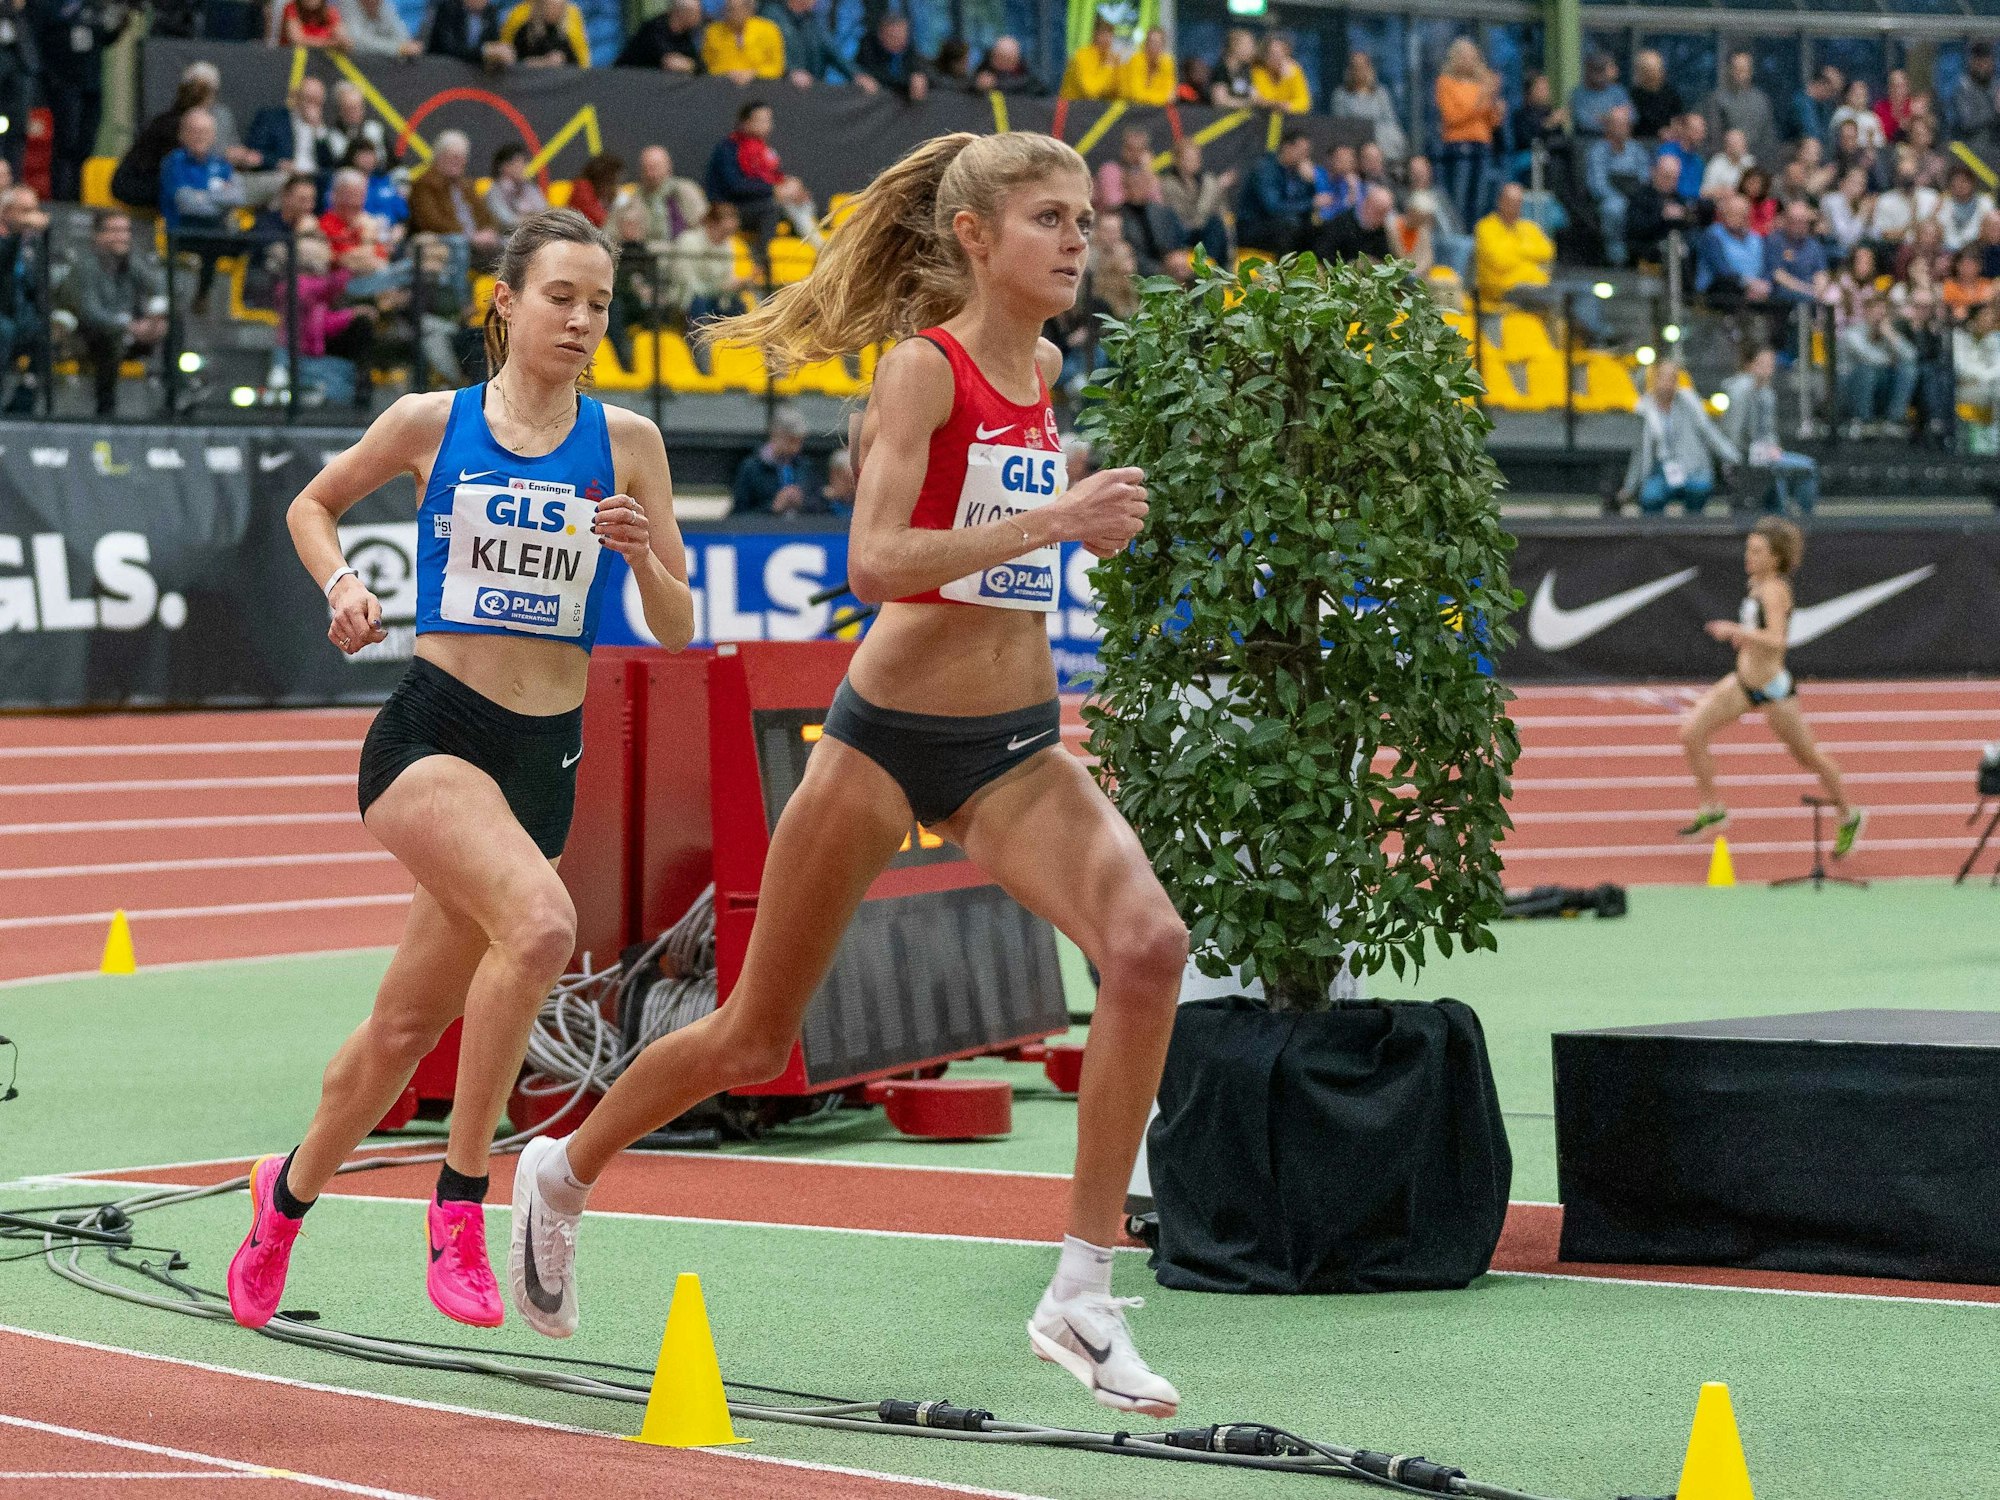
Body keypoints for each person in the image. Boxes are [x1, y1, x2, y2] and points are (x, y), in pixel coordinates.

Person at [505, 131, 1185, 1425]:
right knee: (756, 1034)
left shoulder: (1043, 366)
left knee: (1148, 946)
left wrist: (1051, 529)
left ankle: (1083, 1292)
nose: (1080, 242)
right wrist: (1059, 519)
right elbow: (875, 562)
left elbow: (998, 559)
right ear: (978, 237)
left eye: (1088, 221)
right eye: (1052, 219)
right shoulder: (921, 375)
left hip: (1015, 744)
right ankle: (563, 1167)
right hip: (882, 740)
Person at [228, 208, 696, 1335]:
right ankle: (458, 1205)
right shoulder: (430, 421)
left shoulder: (627, 441)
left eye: (599, 302)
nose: (582, 320)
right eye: (560, 297)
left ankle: (280, 1202)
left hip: (544, 762)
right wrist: (340, 583)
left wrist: (639, 558)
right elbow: (311, 503)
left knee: (398, 1034)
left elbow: (676, 629)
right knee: (540, 927)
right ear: (505, 301)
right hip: (432, 735)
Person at [1678, 519, 1861, 858]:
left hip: (1774, 691)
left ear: (1775, 558)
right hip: (1743, 683)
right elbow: (1758, 633)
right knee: (1691, 733)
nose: (1748, 555)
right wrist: (1745, 638)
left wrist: (1737, 630)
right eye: (1748, 548)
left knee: (1808, 757)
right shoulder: (1755, 583)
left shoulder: (1775, 589)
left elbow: (1778, 641)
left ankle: (1848, 815)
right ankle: (1712, 807)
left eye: (1757, 551)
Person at [68, 210, 166, 418]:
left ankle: (174, 396)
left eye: (125, 231)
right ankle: (106, 410)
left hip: (131, 333)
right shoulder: (85, 266)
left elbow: (159, 289)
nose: (122, 236)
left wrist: (155, 320)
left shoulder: (133, 262)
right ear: (98, 235)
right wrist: (129, 326)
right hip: (89, 338)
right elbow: (90, 313)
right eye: (115, 231)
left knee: (173, 324)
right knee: (107, 336)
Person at [1618, 357, 1737, 514]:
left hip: (1692, 467)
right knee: (1650, 497)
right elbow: (1640, 452)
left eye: (1673, 378)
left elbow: (1708, 431)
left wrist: (1733, 457)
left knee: (1700, 489)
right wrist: (1629, 487)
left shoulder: (1689, 401)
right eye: (1663, 377)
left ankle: (1694, 532)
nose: (1668, 383)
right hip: (1661, 469)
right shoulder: (1645, 409)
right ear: (1654, 379)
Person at [160, 108, 246, 315]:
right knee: (214, 234)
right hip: (181, 230)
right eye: (195, 131)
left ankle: (245, 300)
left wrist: (202, 195)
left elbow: (238, 197)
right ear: (183, 134)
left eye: (205, 132)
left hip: (215, 230)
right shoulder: (174, 162)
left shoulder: (220, 164)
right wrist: (218, 198)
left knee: (251, 237)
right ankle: (201, 295)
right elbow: (185, 203)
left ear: (213, 135)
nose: (200, 137)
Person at [1720, 347, 1816, 514]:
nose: (1767, 368)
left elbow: (1770, 430)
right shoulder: (1739, 392)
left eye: (1770, 364)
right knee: (1777, 473)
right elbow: (1733, 432)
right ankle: (1785, 514)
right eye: (1762, 364)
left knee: (1807, 467)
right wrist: (1737, 459)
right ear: (1751, 366)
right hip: (1743, 456)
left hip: (1765, 454)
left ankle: (1803, 516)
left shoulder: (1768, 394)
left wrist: (1773, 447)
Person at [704, 100, 812, 243]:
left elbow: (773, 177)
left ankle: (807, 246)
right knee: (771, 207)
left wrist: (789, 187)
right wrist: (773, 190)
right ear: (745, 122)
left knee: (800, 200)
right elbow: (736, 186)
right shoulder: (728, 149)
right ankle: (763, 259)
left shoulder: (763, 150)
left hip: (760, 202)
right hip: (732, 208)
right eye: (761, 120)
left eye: (768, 120)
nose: (767, 124)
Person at [409, 130, 503, 270]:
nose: (459, 162)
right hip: (446, 243)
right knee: (458, 244)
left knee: (514, 248)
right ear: (439, 157)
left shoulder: (467, 185)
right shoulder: (424, 184)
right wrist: (471, 237)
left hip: (477, 244)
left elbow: (486, 215)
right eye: (454, 157)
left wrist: (489, 230)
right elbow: (431, 222)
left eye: (462, 157)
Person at [1436, 38, 1503, 232]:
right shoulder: (1446, 83)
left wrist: (1494, 105)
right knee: (1459, 198)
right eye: (1465, 56)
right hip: (1458, 146)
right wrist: (1483, 99)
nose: (1470, 61)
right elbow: (1452, 117)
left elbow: (1492, 122)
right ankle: (1458, 240)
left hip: (1482, 145)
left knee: (1480, 199)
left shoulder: (1480, 85)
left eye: (1474, 57)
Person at [1837, 295, 1918, 438]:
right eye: (1877, 312)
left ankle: (1893, 421)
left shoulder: (1889, 334)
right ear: (1866, 312)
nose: (1880, 317)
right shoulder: (1852, 333)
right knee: (1867, 371)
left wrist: (1891, 336)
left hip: (1881, 386)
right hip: (1851, 389)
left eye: (1883, 313)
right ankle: (1864, 421)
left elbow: (1911, 356)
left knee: (1908, 370)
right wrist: (1891, 360)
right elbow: (1868, 358)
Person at [1586, 105, 1649, 266]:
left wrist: (1636, 196)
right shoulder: (1597, 152)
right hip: (1612, 198)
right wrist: (1623, 198)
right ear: (1609, 126)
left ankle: (1646, 256)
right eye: (1618, 124)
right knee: (1615, 207)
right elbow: (1597, 186)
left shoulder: (1637, 151)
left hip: (1636, 196)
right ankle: (1617, 259)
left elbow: (1645, 178)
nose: (1623, 128)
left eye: (1626, 124)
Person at [1235, 130, 1315, 256]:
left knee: (1314, 230)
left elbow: (1307, 208)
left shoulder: (1299, 173)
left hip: (1283, 225)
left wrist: (1310, 183)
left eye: (1307, 152)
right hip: (1253, 227)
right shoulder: (1265, 169)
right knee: (1289, 226)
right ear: (1287, 147)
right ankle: (1284, 272)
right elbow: (1273, 207)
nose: (1305, 156)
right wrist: (1311, 203)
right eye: (1302, 151)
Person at [1703, 50, 1779, 172]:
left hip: (1757, 166)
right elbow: (1713, 137)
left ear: (1750, 71)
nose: (1740, 73)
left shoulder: (1762, 101)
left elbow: (1768, 139)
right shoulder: (1717, 99)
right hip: (1725, 166)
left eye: (1744, 69)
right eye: (1736, 69)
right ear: (1730, 70)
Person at [766, 0, 866, 91]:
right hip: (779, 87)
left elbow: (832, 50)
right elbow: (767, 52)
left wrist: (857, 74)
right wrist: (791, 71)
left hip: (809, 88)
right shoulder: (771, 15)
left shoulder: (812, 21)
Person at [732, 406, 815, 514]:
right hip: (765, 530)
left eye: (799, 442)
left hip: (802, 529)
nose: (796, 448)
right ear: (775, 435)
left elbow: (819, 508)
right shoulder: (751, 468)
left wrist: (803, 502)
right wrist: (772, 508)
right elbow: (738, 516)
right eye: (791, 441)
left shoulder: (805, 467)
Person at [620, 144, 707, 244]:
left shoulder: (687, 190)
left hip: (684, 251)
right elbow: (613, 231)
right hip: (648, 253)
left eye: (654, 167)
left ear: (668, 167)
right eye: (646, 168)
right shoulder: (633, 197)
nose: (650, 174)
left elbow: (703, 224)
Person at [1330, 52, 1407, 164]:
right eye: (1355, 67)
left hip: (1381, 148)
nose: (1359, 71)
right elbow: (1340, 128)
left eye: (1362, 67)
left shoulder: (1381, 94)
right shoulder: (1340, 96)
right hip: (1353, 150)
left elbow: (1390, 122)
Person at [704, 0, 783, 84]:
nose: (731, 14)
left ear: (749, 10)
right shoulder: (713, 32)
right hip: (723, 85)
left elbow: (777, 67)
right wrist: (729, 73)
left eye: (736, 9)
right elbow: (709, 67)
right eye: (729, 9)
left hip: (762, 85)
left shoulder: (769, 30)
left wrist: (754, 73)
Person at [855, 12, 928, 101]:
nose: (899, 41)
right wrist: (909, 82)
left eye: (903, 36)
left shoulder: (909, 49)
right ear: (881, 35)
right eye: (893, 37)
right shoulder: (869, 48)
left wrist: (920, 76)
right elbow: (876, 75)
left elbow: (924, 70)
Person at [1316, 184, 1393, 262]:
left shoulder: (1380, 230)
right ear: (1367, 204)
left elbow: (1384, 258)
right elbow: (1323, 254)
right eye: (1379, 212)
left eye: (1385, 214)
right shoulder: (1342, 223)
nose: (1382, 218)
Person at [1949, 42, 1999, 160]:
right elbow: (1968, 121)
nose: (1983, 65)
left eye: (1986, 61)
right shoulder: (1963, 88)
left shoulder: (1995, 86)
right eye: (1979, 61)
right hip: (1972, 151)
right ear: (1972, 62)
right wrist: (1996, 111)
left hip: (1995, 149)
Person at [501, 0, 588, 66]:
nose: (555, 11)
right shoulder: (521, 22)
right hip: (526, 82)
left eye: (559, 8)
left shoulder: (570, 23)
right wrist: (543, 62)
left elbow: (581, 62)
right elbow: (510, 60)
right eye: (551, 7)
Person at [427, 0, 512, 68]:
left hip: (478, 77)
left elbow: (493, 43)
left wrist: (499, 53)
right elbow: (448, 48)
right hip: (442, 70)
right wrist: (483, 52)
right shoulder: (447, 9)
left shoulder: (491, 12)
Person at [486, 144, 551, 231]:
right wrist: (534, 218)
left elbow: (545, 211)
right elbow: (507, 221)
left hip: (535, 233)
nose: (523, 167)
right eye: (518, 162)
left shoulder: (529, 188)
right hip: (508, 239)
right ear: (504, 166)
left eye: (524, 162)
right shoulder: (495, 192)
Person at [1568, 51, 1631, 140]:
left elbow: (1632, 117)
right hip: (1588, 140)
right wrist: (1612, 119)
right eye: (1595, 70)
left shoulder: (1618, 91)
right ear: (1588, 72)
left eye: (1601, 70)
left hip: (1617, 139)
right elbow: (1584, 122)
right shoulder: (1578, 94)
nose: (1598, 75)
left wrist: (1603, 118)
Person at [1059, 16, 1120, 102]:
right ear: (1094, 34)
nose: (1107, 39)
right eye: (1102, 34)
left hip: (1094, 109)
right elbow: (1090, 91)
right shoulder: (1083, 55)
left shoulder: (1111, 57)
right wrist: (1108, 66)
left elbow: (1116, 92)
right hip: (1070, 106)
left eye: (1110, 34)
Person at [1628, 49, 1681, 142]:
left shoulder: (1671, 95)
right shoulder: (1633, 96)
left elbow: (1678, 120)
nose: (1651, 75)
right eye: (1647, 71)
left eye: (1654, 70)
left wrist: (1671, 131)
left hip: (1667, 143)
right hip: (1639, 143)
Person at [1251, 34, 1311, 116]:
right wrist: (1277, 104)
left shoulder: (1294, 71)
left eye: (1281, 54)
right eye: (1272, 54)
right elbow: (1259, 100)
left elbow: (1305, 103)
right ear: (1265, 56)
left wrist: (1288, 106)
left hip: (1289, 120)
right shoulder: (1257, 71)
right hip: (1260, 119)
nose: (1277, 58)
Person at [342, 0, 422, 57]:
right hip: (347, 64)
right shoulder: (345, 3)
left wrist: (403, 47)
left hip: (377, 66)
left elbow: (404, 38)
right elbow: (356, 41)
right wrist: (397, 49)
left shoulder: (384, 5)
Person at [1789, 64, 1843, 148]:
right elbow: (1812, 135)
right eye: (1832, 91)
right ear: (1823, 84)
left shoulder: (1822, 107)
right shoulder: (1801, 103)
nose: (1832, 96)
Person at [566, 153, 624, 229]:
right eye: (614, 180)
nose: (616, 185)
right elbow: (599, 219)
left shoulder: (608, 194)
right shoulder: (582, 188)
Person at [1119, 26, 1174, 108]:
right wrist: (1162, 98)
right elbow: (1136, 95)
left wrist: (1163, 97)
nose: (1155, 46)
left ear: (1163, 46)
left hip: (1149, 109)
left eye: (1159, 43)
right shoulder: (1136, 60)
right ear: (1145, 44)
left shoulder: (1166, 63)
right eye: (1152, 42)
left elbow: (1170, 96)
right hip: (1123, 105)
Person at [973, 35, 1041, 96]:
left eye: (1007, 59)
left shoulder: (1025, 73)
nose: (1001, 62)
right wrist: (978, 85)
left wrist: (995, 84)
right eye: (998, 57)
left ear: (1016, 60)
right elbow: (967, 85)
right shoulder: (985, 67)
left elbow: (1029, 86)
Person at [1700, 127, 1754, 203]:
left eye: (1742, 142)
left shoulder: (1749, 162)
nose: (1740, 146)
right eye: (1735, 143)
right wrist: (1721, 191)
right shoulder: (1717, 162)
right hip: (1722, 203)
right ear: (1727, 147)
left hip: (1745, 202)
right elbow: (1704, 192)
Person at [280, 0, 348, 48]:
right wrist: (331, 43)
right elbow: (297, 40)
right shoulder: (292, 8)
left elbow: (344, 39)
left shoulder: (330, 11)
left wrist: (342, 42)